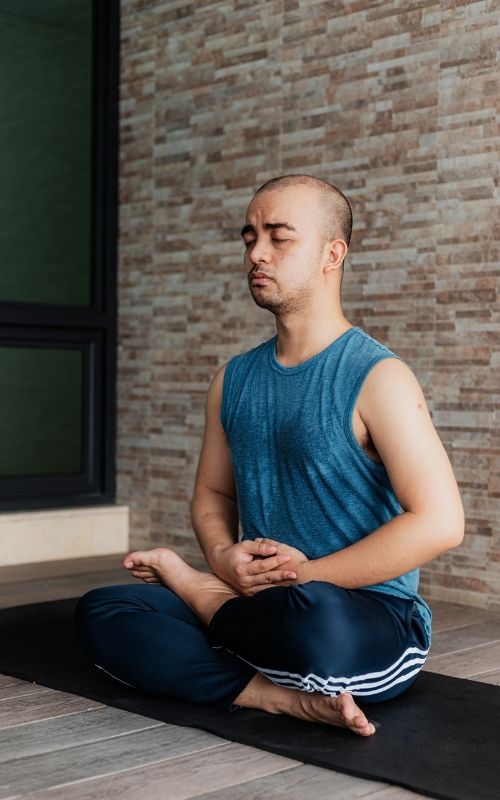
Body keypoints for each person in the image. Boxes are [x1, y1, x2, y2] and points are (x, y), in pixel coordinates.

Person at [74, 174, 465, 738]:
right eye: (250, 236)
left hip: (359, 616)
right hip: (255, 602)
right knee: (104, 612)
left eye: (279, 237)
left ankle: (198, 596)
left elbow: (440, 523)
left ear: (333, 254)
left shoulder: (380, 378)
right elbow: (213, 493)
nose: (257, 252)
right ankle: (276, 696)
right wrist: (221, 555)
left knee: (313, 626)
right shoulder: (232, 378)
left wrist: (302, 576)